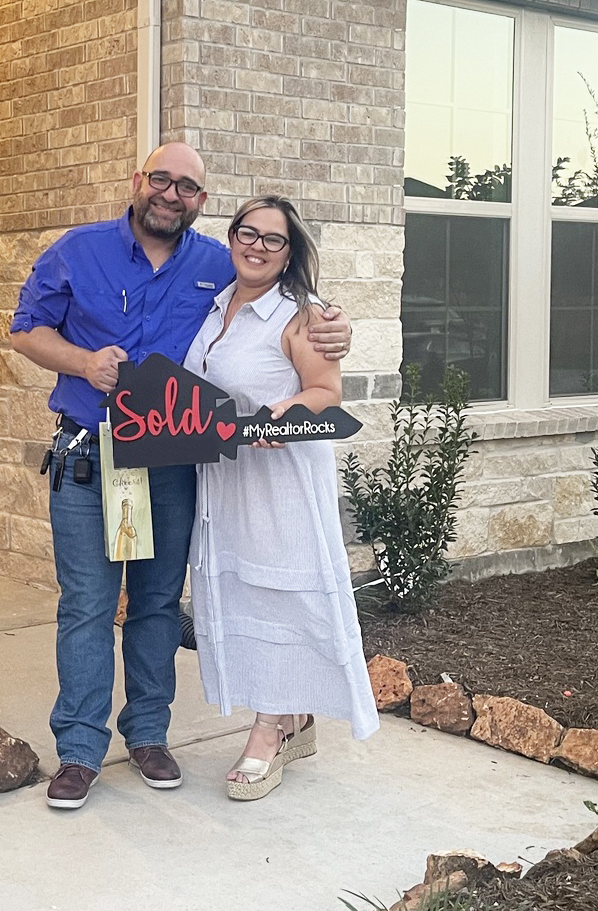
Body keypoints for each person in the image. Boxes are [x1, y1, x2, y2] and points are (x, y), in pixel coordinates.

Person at [8, 143, 354, 809]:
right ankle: (79, 749)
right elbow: (25, 330)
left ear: (202, 201)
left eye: (188, 187)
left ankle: (147, 733)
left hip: (169, 465)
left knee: (158, 606)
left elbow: (283, 291)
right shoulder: (76, 250)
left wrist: (336, 325)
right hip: (89, 456)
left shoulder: (215, 262)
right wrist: (82, 363)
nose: (172, 194)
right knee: (86, 605)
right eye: (161, 179)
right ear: (137, 181)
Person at [184, 195, 380, 801]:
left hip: (280, 478)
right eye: (248, 232)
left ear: (289, 252)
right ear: (232, 236)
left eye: (274, 239)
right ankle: (292, 718)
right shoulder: (217, 303)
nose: (258, 246)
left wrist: (284, 414)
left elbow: (326, 390)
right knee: (244, 592)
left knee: (279, 598)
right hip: (225, 482)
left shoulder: (302, 313)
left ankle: (269, 731)